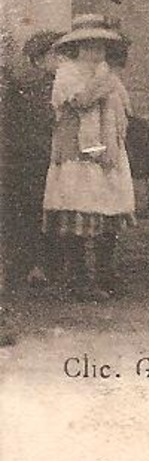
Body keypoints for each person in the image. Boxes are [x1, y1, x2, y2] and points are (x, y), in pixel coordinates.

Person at [42, 14, 136, 301]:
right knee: (80, 209)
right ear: (75, 47)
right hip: (78, 151)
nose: (94, 51)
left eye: (99, 45)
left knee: (107, 209)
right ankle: (79, 279)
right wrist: (103, 82)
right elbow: (80, 101)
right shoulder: (67, 72)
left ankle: (106, 274)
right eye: (87, 45)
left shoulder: (108, 73)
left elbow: (124, 110)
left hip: (107, 151)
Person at [2, 29, 61, 289]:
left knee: (34, 215)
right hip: (29, 158)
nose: (60, 60)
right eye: (54, 55)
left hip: (34, 157)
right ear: (38, 59)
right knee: (30, 215)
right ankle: (32, 268)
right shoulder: (33, 86)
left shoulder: (47, 82)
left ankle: (34, 267)